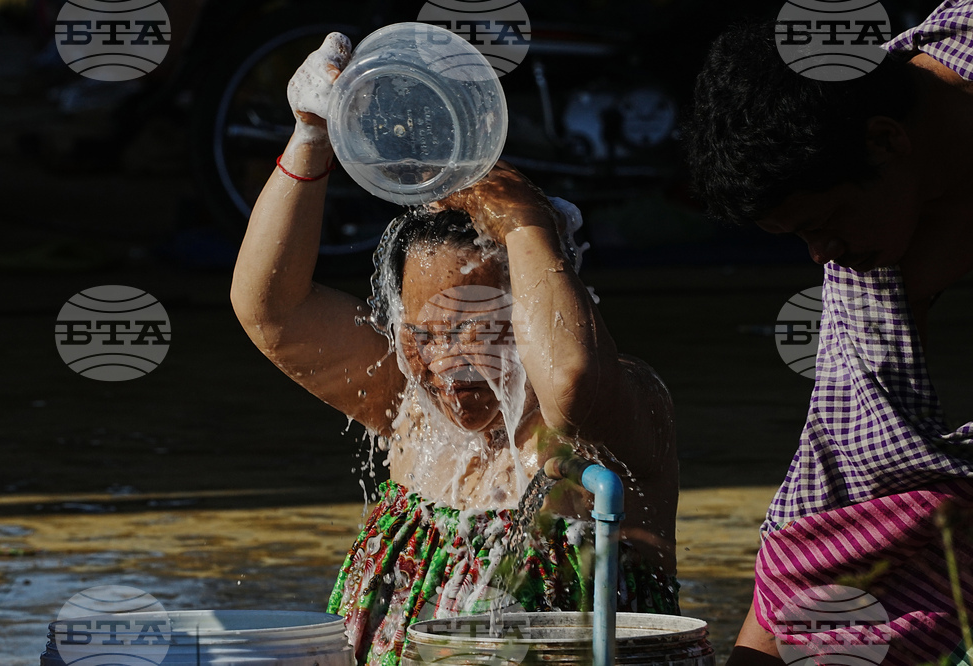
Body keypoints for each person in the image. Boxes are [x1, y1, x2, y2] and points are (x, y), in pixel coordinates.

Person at [230, 33, 680, 665]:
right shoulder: (408, 406)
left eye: (488, 331)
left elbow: (572, 378)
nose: (451, 363)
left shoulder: (615, 414)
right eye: (426, 335)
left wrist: (523, 220)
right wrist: (310, 137)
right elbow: (273, 308)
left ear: (541, 315)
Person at [685, 4, 973, 664]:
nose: (822, 255)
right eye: (801, 238)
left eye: (827, 221)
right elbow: (842, 483)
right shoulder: (870, 264)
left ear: (887, 141)